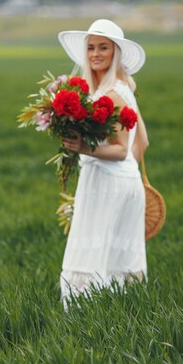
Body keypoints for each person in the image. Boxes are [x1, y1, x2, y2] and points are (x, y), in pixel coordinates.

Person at [57, 19, 149, 304]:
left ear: (116, 53)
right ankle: (108, 314)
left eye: (104, 48)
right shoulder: (117, 89)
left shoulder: (114, 94)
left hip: (110, 186)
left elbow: (122, 150)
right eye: (92, 48)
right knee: (108, 257)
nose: (96, 53)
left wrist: (83, 147)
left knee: (96, 256)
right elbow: (142, 142)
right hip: (113, 183)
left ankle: (90, 317)